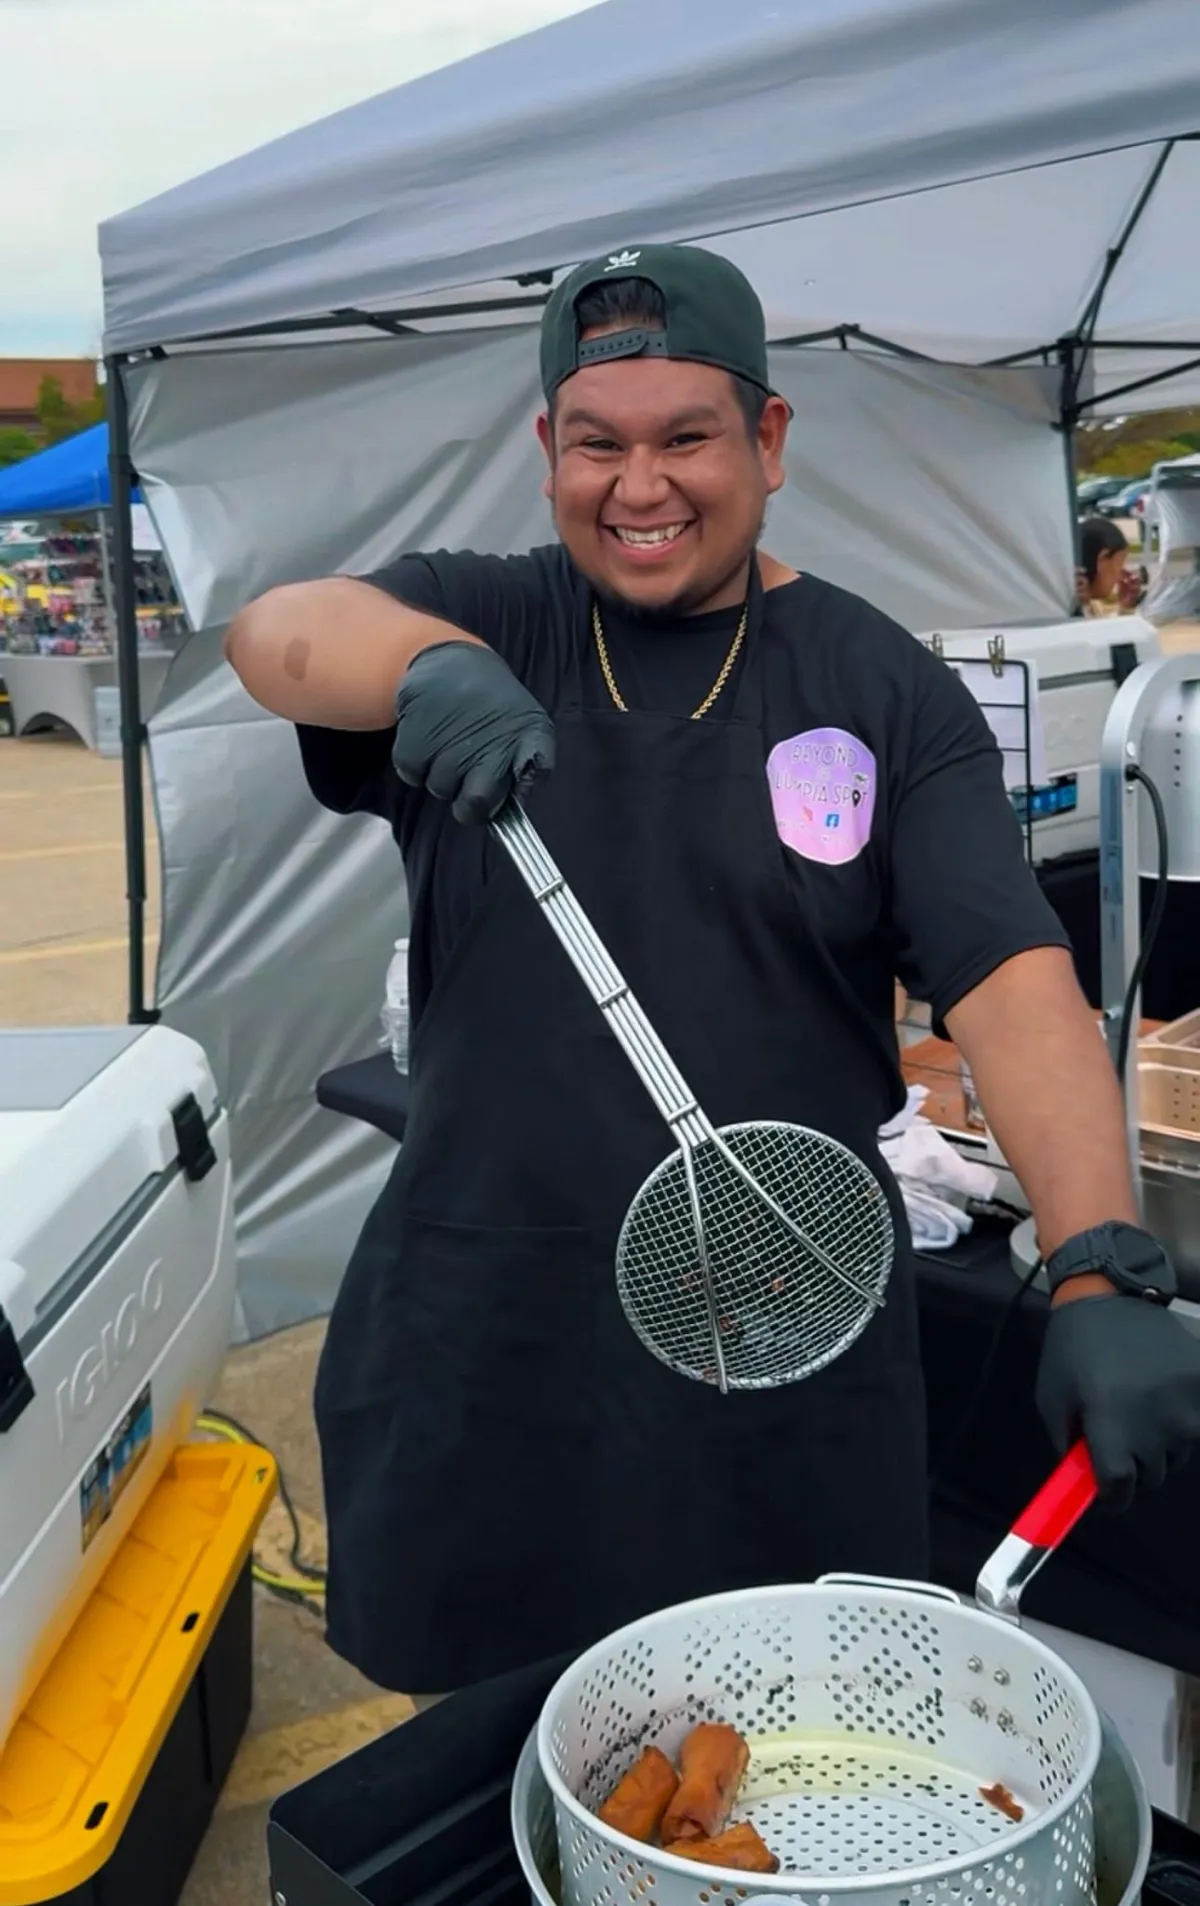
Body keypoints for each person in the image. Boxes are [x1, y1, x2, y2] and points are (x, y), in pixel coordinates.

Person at [225, 245, 1200, 1701]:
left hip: (778, 1340)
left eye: (688, 436)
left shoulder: (880, 686)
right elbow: (280, 632)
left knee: (781, 1745)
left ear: (770, 440)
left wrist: (1097, 1258)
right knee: (504, 1762)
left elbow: (1012, 979)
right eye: (599, 443)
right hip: (492, 1330)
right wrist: (423, 662)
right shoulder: (495, 617)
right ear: (548, 449)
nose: (642, 486)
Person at [1076, 514, 1142, 615]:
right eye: (1119, 564)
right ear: (1102, 559)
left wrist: (1125, 608)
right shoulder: (1065, 607)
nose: (1120, 576)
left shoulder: (1092, 608)